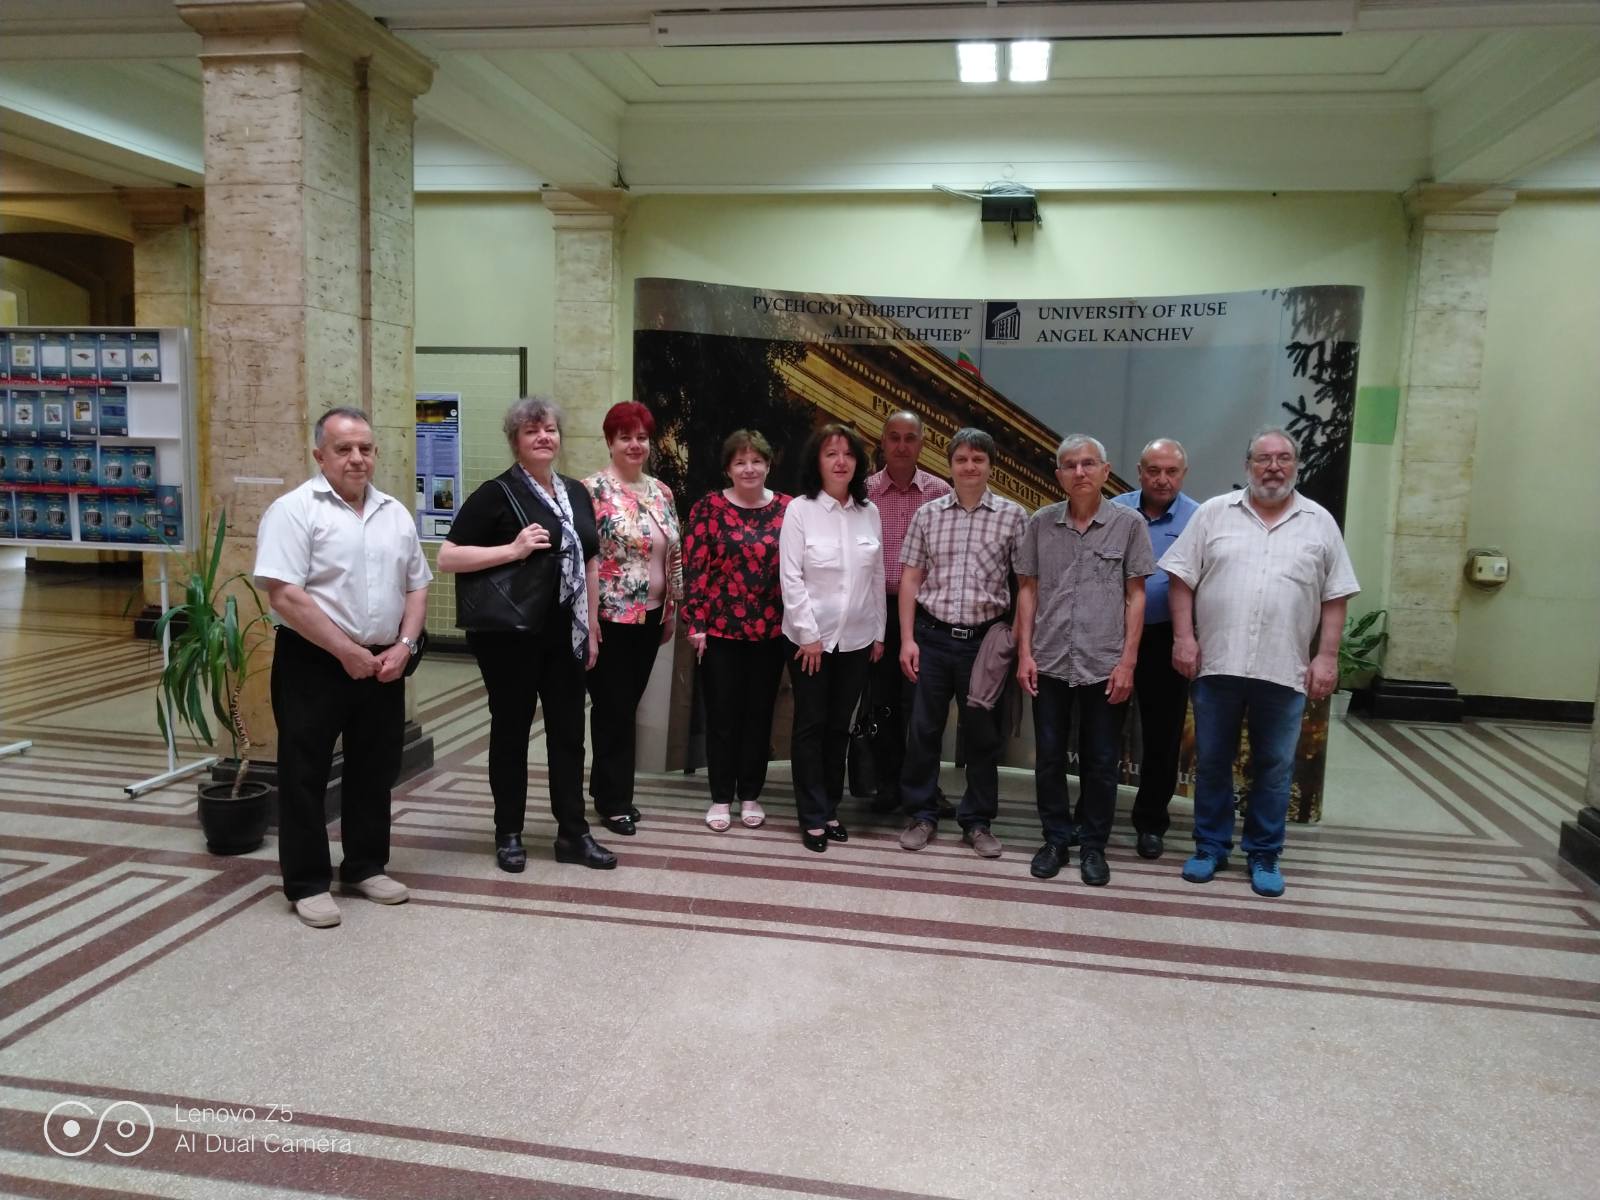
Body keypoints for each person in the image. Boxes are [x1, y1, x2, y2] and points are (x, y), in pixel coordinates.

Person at [1161, 427, 1359, 898]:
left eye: (1283, 458)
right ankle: (1210, 847)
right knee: (1213, 761)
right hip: (1218, 664)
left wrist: (1327, 657)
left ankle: (1264, 853)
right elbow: (1181, 578)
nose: (1273, 467)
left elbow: (1335, 596)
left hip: (1283, 667)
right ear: (1247, 465)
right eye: (1263, 458)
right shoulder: (1214, 513)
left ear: (1296, 465)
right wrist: (1184, 638)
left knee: (1274, 766)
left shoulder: (1320, 523)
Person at [253, 407, 430, 929]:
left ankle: (365, 866)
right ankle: (307, 882)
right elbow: (285, 594)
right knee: (304, 772)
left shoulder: (394, 513)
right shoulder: (294, 511)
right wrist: (344, 650)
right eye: (344, 449)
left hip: (383, 662)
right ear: (320, 455)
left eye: (365, 448)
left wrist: (404, 645)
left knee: (374, 769)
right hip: (314, 660)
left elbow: (417, 585)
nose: (357, 458)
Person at [436, 396, 614, 873]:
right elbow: (448, 557)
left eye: (549, 429)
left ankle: (573, 833)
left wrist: (592, 624)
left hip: (565, 632)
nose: (543, 437)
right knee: (511, 732)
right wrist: (512, 551)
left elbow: (589, 559)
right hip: (510, 637)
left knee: (569, 735)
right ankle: (508, 833)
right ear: (515, 440)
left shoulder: (576, 492)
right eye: (532, 430)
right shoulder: (496, 493)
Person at [1016, 435, 1155, 887]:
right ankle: (1056, 838)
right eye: (1070, 465)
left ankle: (1094, 845)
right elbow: (1028, 590)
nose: (1080, 472)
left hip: (1104, 662)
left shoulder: (1129, 525)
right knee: (1049, 758)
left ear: (1105, 470)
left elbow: (1136, 596)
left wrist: (1128, 662)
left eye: (1089, 463)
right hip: (1050, 659)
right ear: (1058, 474)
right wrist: (1024, 653)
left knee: (1101, 760)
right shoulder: (1041, 523)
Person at [896, 428, 1026, 857]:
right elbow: (911, 579)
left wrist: (1018, 642)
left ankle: (978, 821)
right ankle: (922, 814)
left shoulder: (1013, 517)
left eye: (978, 459)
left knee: (982, 736)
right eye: (962, 459)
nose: (969, 467)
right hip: (931, 638)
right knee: (923, 731)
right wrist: (907, 639)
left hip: (983, 645)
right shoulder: (928, 514)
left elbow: (1026, 584)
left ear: (990, 466)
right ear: (949, 464)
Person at [779, 423, 885, 852]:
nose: (841, 462)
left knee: (840, 726)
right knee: (811, 725)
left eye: (848, 454)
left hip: (858, 640)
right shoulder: (800, 511)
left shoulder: (869, 512)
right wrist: (809, 635)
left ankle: (830, 807)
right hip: (810, 642)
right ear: (817, 462)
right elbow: (791, 577)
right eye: (831, 454)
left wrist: (879, 633)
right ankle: (811, 814)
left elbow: (876, 576)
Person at [683, 430, 792, 832]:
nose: (749, 468)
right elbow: (695, 568)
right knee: (723, 717)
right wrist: (695, 623)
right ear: (728, 468)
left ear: (768, 465)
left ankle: (750, 795)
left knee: (758, 717)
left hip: (772, 633)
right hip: (720, 634)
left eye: (756, 460)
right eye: (740, 462)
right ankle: (720, 797)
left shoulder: (789, 509)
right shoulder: (708, 508)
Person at [584, 401, 683, 836]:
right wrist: (587, 620)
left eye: (641, 437)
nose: (635, 444)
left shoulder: (662, 491)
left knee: (625, 706)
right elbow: (584, 560)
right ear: (610, 441)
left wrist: (673, 608)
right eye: (625, 437)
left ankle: (607, 788)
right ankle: (614, 801)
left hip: (652, 616)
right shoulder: (591, 491)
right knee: (614, 709)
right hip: (610, 618)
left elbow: (674, 554)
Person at [1109, 437, 1200, 860]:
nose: (1162, 479)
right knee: (1102, 731)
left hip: (1167, 638)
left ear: (1183, 474)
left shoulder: (1199, 518)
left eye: (1171, 471)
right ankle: (1093, 815)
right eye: (1154, 471)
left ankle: (1150, 823)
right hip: (1112, 636)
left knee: (1162, 736)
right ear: (1140, 472)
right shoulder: (1115, 511)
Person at [864, 410, 951, 814]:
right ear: (883, 442)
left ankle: (924, 786)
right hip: (876, 611)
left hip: (924, 614)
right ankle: (888, 784)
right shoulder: (863, 492)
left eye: (910, 438)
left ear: (922, 444)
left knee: (922, 705)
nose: (901, 445)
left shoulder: (939, 493)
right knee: (882, 700)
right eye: (894, 437)